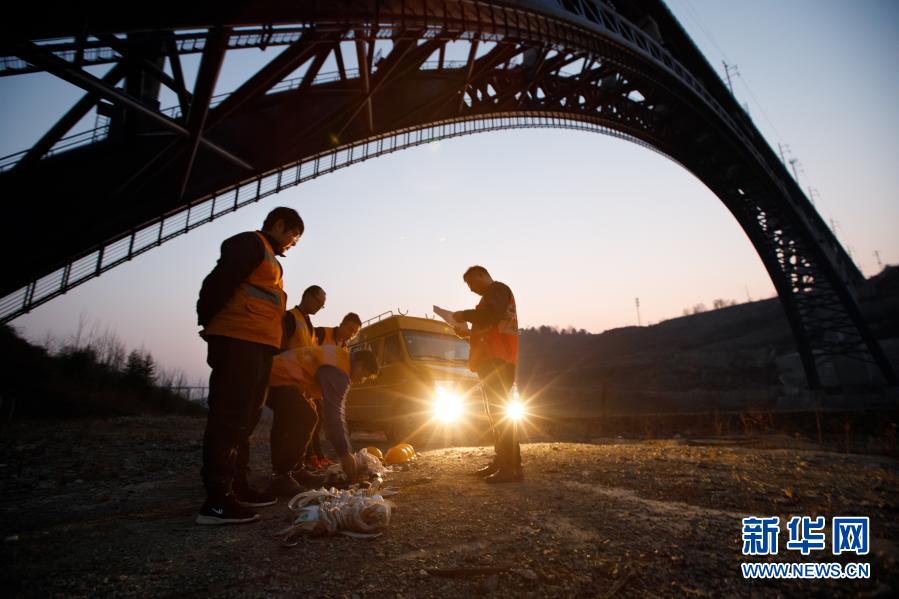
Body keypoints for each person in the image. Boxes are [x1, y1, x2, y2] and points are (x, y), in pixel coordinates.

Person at [194, 206, 303, 525]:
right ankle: (216, 499)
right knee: (229, 416)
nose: (293, 243)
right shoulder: (250, 244)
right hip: (238, 340)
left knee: (246, 417)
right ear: (280, 225)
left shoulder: (270, 257)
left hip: (258, 346)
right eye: (294, 236)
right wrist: (210, 321)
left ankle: (236, 486)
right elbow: (217, 282)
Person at [268, 344, 379, 484]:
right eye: (365, 376)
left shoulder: (340, 357)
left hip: (275, 372)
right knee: (306, 417)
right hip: (280, 377)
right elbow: (334, 415)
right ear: (360, 365)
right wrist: (345, 453)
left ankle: (293, 470)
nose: (361, 381)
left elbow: (309, 372)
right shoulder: (340, 372)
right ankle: (282, 477)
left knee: (292, 418)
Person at [452, 265, 522, 484]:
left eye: (472, 283)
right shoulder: (488, 298)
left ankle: (510, 468)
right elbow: (487, 327)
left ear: (481, 274)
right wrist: (467, 332)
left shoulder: (498, 290)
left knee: (500, 414)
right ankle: (503, 462)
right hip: (490, 359)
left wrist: (463, 315)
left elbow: (492, 316)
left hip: (499, 359)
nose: (471, 289)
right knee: (495, 414)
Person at [265, 285, 326, 497]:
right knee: (302, 419)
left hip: (299, 385)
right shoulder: (290, 318)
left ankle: (294, 470)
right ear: (307, 296)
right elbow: (278, 346)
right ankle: (281, 474)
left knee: (291, 425)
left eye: (323, 305)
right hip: (281, 379)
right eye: (319, 302)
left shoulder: (309, 326)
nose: (320, 307)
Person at [304, 312, 363, 470]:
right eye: (350, 329)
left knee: (317, 421)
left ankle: (316, 457)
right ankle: (309, 459)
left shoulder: (344, 347)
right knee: (309, 420)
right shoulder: (322, 333)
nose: (351, 334)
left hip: (321, 388)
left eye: (354, 332)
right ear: (342, 324)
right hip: (306, 380)